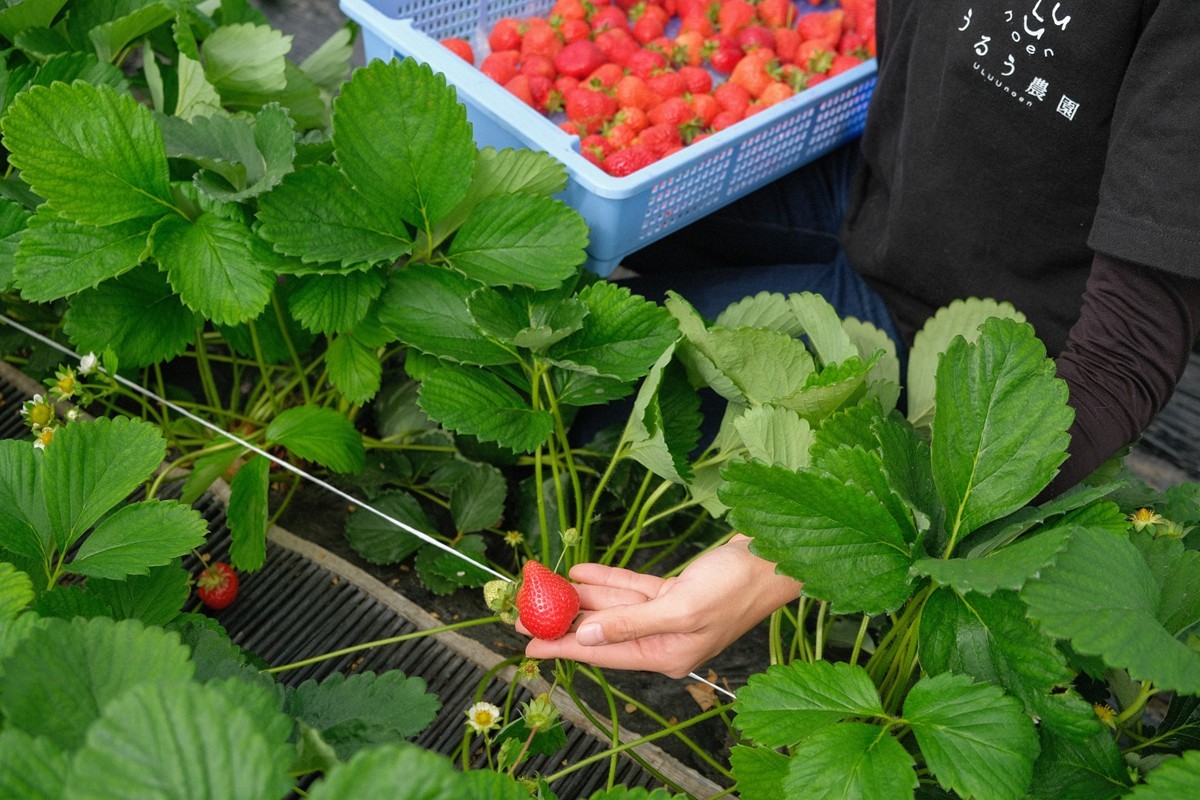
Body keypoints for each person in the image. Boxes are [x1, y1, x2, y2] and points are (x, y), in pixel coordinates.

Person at [522, 0, 1200, 677]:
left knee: (566, 368)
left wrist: (782, 554)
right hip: (874, 188)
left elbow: (1125, 353)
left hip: (963, 345)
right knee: (560, 210)